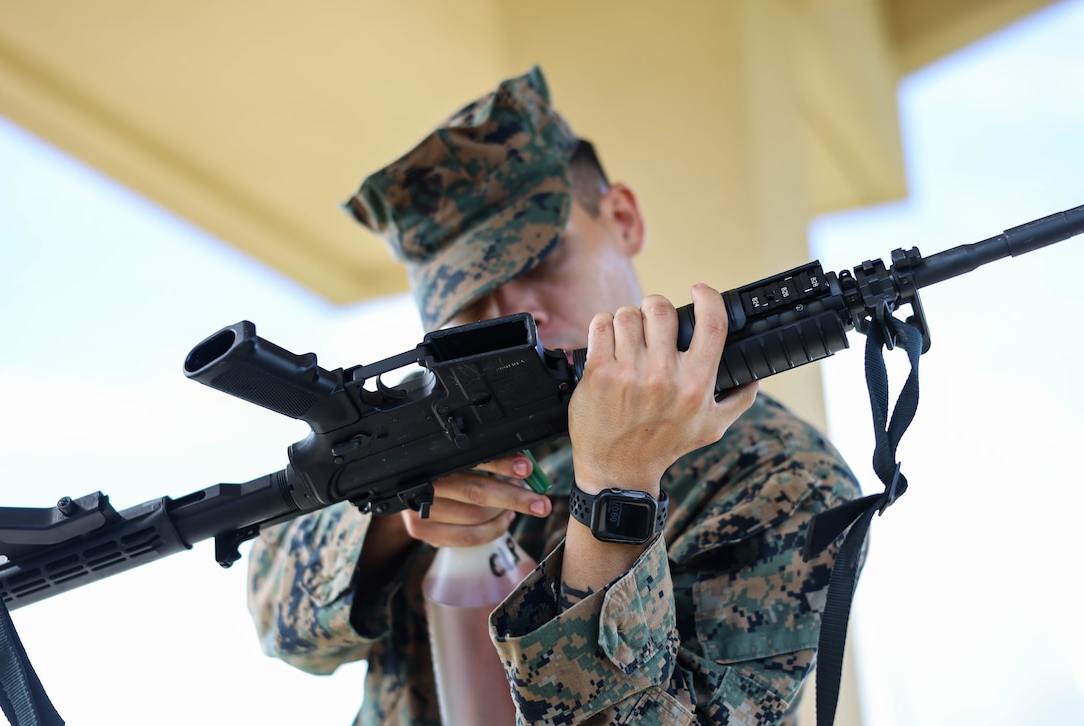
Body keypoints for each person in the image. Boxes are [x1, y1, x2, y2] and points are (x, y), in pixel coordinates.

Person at [247, 66, 862, 725]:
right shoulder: (421, 415)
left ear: (621, 219)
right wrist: (392, 518)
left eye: (539, 260)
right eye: (469, 300)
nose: (513, 317)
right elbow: (279, 621)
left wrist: (618, 493)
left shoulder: (780, 473)